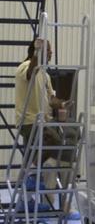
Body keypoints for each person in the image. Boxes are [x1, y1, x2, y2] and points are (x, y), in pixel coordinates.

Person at [14, 38, 72, 187]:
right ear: (37, 51)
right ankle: (32, 171)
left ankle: (29, 195)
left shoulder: (45, 75)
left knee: (65, 139)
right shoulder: (25, 66)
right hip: (28, 122)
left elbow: (51, 99)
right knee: (54, 141)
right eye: (48, 50)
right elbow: (29, 74)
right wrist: (37, 53)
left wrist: (62, 103)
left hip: (41, 122)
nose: (51, 52)